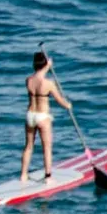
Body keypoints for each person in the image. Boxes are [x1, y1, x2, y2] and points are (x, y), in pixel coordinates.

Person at [20, 49, 75, 182]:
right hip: (42, 117)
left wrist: (46, 66)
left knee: (28, 146)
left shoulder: (28, 80)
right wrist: (68, 105)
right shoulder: (49, 83)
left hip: (30, 115)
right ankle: (48, 177)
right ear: (45, 64)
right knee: (47, 147)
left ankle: (23, 175)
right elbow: (59, 100)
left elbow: (38, 76)